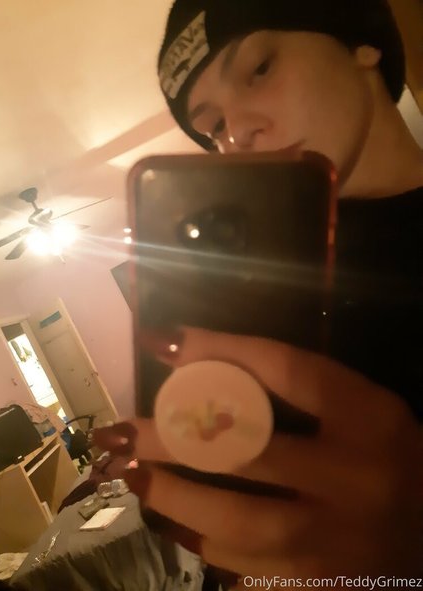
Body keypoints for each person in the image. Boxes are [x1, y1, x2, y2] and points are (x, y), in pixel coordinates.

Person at [94, 0, 423, 587]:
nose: (238, 131)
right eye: (213, 126)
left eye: (260, 69)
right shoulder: (264, 280)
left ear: (362, 43)